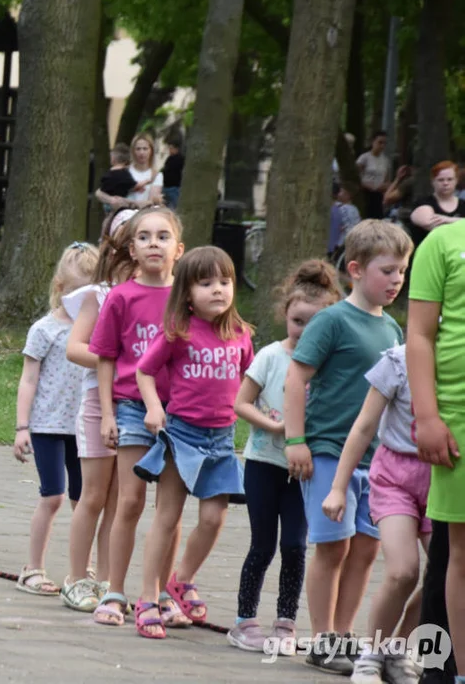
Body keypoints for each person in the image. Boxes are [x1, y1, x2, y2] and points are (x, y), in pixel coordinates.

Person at [284, 219, 413, 674]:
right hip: (325, 450)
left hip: (376, 460)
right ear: (356, 269)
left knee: (365, 549)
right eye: (388, 270)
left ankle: (343, 633)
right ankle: (322, 638)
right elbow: (296, 378)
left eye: (403, 271)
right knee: (331, 547)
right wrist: (296, 440)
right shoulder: (331, 320)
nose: (397, 280)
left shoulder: (395, 332)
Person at [131, 246, 253, 640]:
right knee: (167, 518)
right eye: (206, 283)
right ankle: (147, 597)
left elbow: (252, 382)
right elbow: (144, 372)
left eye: (225, 281)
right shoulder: (177, 333)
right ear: (186, 292)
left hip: (222, 440)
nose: (218, 290)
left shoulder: (241, 335)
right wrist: (153, 408)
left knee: (214, 518)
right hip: (181, 437)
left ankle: (180, 580)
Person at [227, 260, 342, 654]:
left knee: (295, 545)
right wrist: (275, 427)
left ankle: (286, 622)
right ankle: (244, 620)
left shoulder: (330, 364)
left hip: (306, 471)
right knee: (263, 544)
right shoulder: (272, 356)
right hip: (263, 464)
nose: (305, 331)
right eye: (298, 321)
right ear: (285, 317)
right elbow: (242, 403)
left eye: (316, 323)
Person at [88, 207, 188, 629]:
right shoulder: (121, 296)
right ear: (132, 248)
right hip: (131, 407)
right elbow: (106, 358)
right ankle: (114, 589)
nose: (153, 244)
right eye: (144, 237)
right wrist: (108, 414)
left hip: (180, 413)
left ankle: (162, 592)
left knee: (171, 509)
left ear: (179, 250)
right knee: (129, 501)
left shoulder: (188, 299)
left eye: (163, 236)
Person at [322, 342, 428, 684]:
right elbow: (364, 426)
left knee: (446, 575)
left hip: (445, 478)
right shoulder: (398, 361)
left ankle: (398, 649)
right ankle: (371, 655)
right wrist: (338, 487)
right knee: (403, 571)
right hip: (395, 477)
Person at [57, 209, 134, 612]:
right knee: (93, 496)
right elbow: (75, 347)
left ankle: (107, 581)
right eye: (129, 238)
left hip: (135, 408)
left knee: (121, 502)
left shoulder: (155, 295)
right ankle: (76, 577)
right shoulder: (99, 294)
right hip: (96, 404)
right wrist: (121, 362)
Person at [12, 242, 99, 596]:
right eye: (75, 291)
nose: (81, 301)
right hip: (48, 426)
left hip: (84, 427)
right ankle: (32, 568)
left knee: (86, 500)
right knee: (53, 497)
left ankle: (84, 569)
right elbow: (28, 379)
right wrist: (22, 427)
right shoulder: (44, 329)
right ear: (60, 287)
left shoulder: (97, 331)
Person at [407, 219, 465, 684]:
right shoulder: (445, 243)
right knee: (452, 555)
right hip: (454, 428)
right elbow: (420, 334)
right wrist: (427, 415)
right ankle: (441, 671)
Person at [408, 161, 465, 250]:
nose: (445, 183)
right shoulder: (423, 203)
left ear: (456, 181)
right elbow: (429, 223)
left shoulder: (463, 204)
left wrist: (448, 219)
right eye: (440, 180)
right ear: (433, 181)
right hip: (428, 256)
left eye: (450, 179)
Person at [357, 131, 392, 220]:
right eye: (380, 142)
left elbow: (387, 179)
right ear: (373, 142)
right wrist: (368, 185)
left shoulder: (385, 160)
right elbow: (357, 177)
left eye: (384, 143)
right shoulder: (364, 158)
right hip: (366, 194)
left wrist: (385, 186)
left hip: (379, 195)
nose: (382, 146)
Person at [94, 144, 137, 213]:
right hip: (123, 204)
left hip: (108, 204)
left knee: (108, 218)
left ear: (113, 159)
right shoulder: (126, 174)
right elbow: (133, 185)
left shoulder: (109, 174)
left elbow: (102, 187)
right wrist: (145, 182)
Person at [126, 132, 164, 207]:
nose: (141, 152)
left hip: (145, 214)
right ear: (133, 151)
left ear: (151, 151)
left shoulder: (156, 175)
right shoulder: (125, 172)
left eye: (145, 149)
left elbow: (151, 203)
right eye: (138, 149)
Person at [161, 133, 184, 210]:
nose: (169, 150)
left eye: (171, 148)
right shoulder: (170, 158)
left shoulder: (180, 159)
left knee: (174, 207)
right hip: (166, 187)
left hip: (174, 188)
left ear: (176, 148)